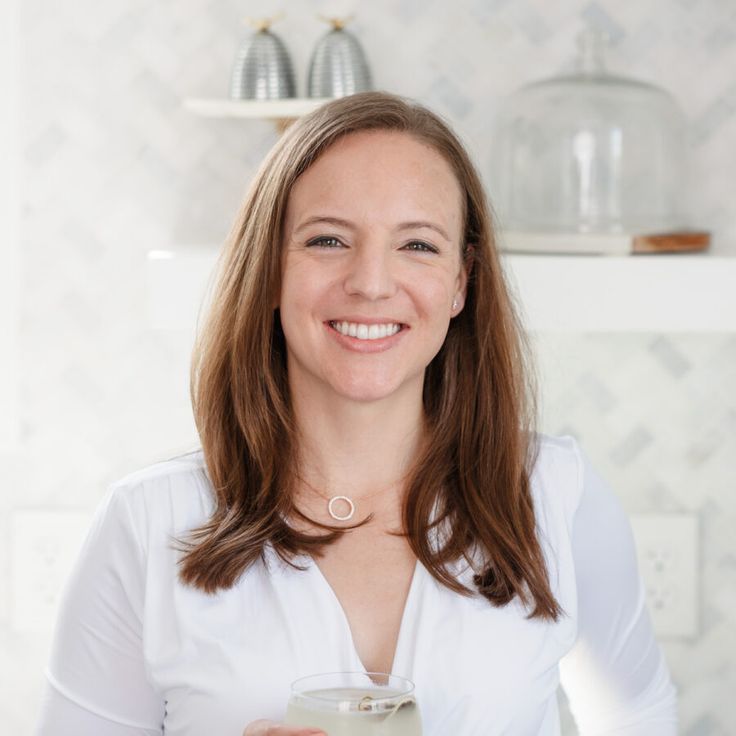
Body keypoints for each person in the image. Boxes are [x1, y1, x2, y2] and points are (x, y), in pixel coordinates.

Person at [35, 91, 677, 735]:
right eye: (328, 239)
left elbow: (640, 719)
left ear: (461, 281)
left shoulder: (554, 494)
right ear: (269, 271)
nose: (371, 282)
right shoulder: (148, 524)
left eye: (418, 246)